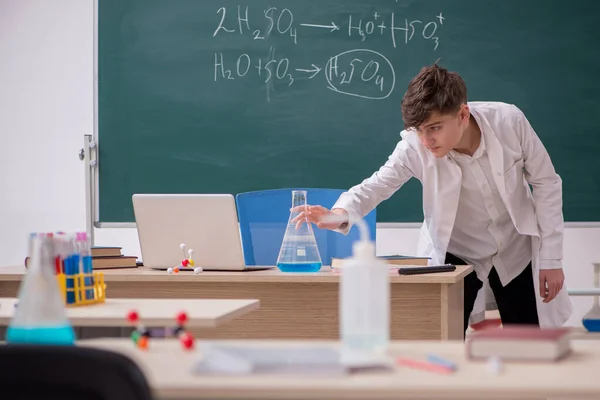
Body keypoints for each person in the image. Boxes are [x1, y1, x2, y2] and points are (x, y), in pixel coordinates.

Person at [293, 63, 572, 333]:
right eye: (419, 129)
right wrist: (341, 213)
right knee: (443, 338)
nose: (426, 140)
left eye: (435, 127)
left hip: (515, 248)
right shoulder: (414, 146)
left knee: (529, 345)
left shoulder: (509, 122)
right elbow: (376, 186)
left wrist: (551, 260)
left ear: (463, 115)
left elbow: (546, 182)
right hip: (458, 253)